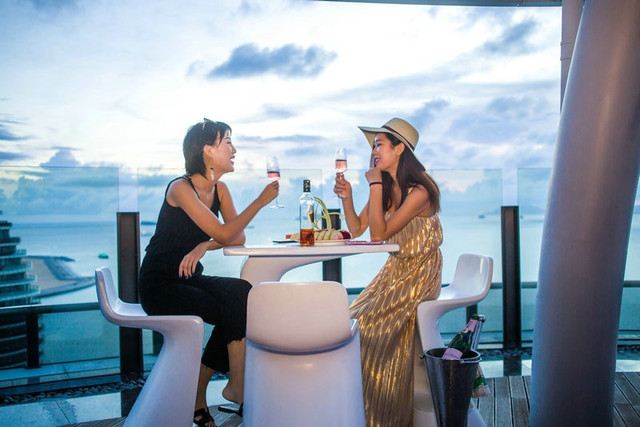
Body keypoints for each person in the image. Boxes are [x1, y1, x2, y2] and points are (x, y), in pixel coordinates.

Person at [139, 119, 279, 427]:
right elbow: (226, 232)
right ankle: (226, 387)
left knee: (242, 293)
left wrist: (203, 245)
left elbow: (236, 238)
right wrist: (259, 202)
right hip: (159, 285)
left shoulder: (221, 190)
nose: (234, 149)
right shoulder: (181, 188)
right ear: (207, 151)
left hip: (189, 278)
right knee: (233, 308)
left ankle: (233, 383)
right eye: (227, 142)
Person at [333, 117, 442, 427]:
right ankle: (355, 408)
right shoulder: (386, 186)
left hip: (420, 274)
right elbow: (358, 228)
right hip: (395, 271)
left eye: (379, 145)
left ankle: (383, 413)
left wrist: (375, 184)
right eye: (373, 147)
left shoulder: (420, 190)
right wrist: (347, 197)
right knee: (352, 318)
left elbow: (378, 235)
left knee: (368, 327)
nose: (374, 152)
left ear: (400, 149)